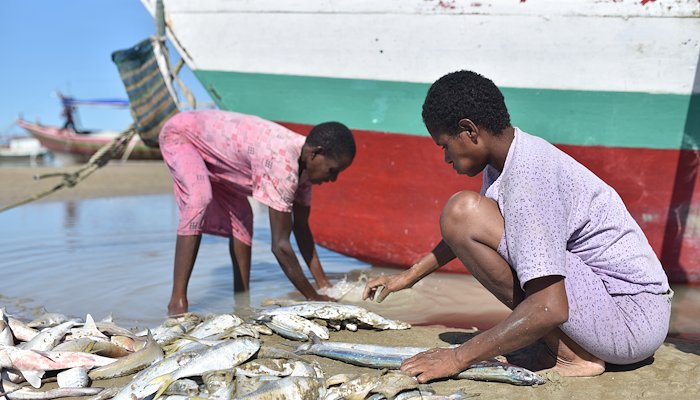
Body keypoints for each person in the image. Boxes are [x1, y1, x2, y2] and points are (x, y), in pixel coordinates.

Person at [363, 70, 672, 382]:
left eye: (444, 145)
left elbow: (550, 306)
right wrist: (410, 276)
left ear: (469, 130)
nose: (445, 158)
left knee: (462, 211)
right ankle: (570, 347)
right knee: (464, 215)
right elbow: (478, 231)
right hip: (624, 316)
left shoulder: (527, 177)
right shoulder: (509, 156)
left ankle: (572, 356)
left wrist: (457, 357)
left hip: (629, 319)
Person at [160, 109, 356, 316]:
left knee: (243, 218)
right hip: (182, 134)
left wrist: (323, 285)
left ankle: (241, 301)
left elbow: (301, 229)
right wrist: (313, 297)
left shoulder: (305, 171)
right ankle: (177, 304)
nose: (333, 179)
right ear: (315, 153)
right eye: (333, 170)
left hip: (223, 156)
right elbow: (280, 246)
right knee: (199, 198)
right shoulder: (282, 162)